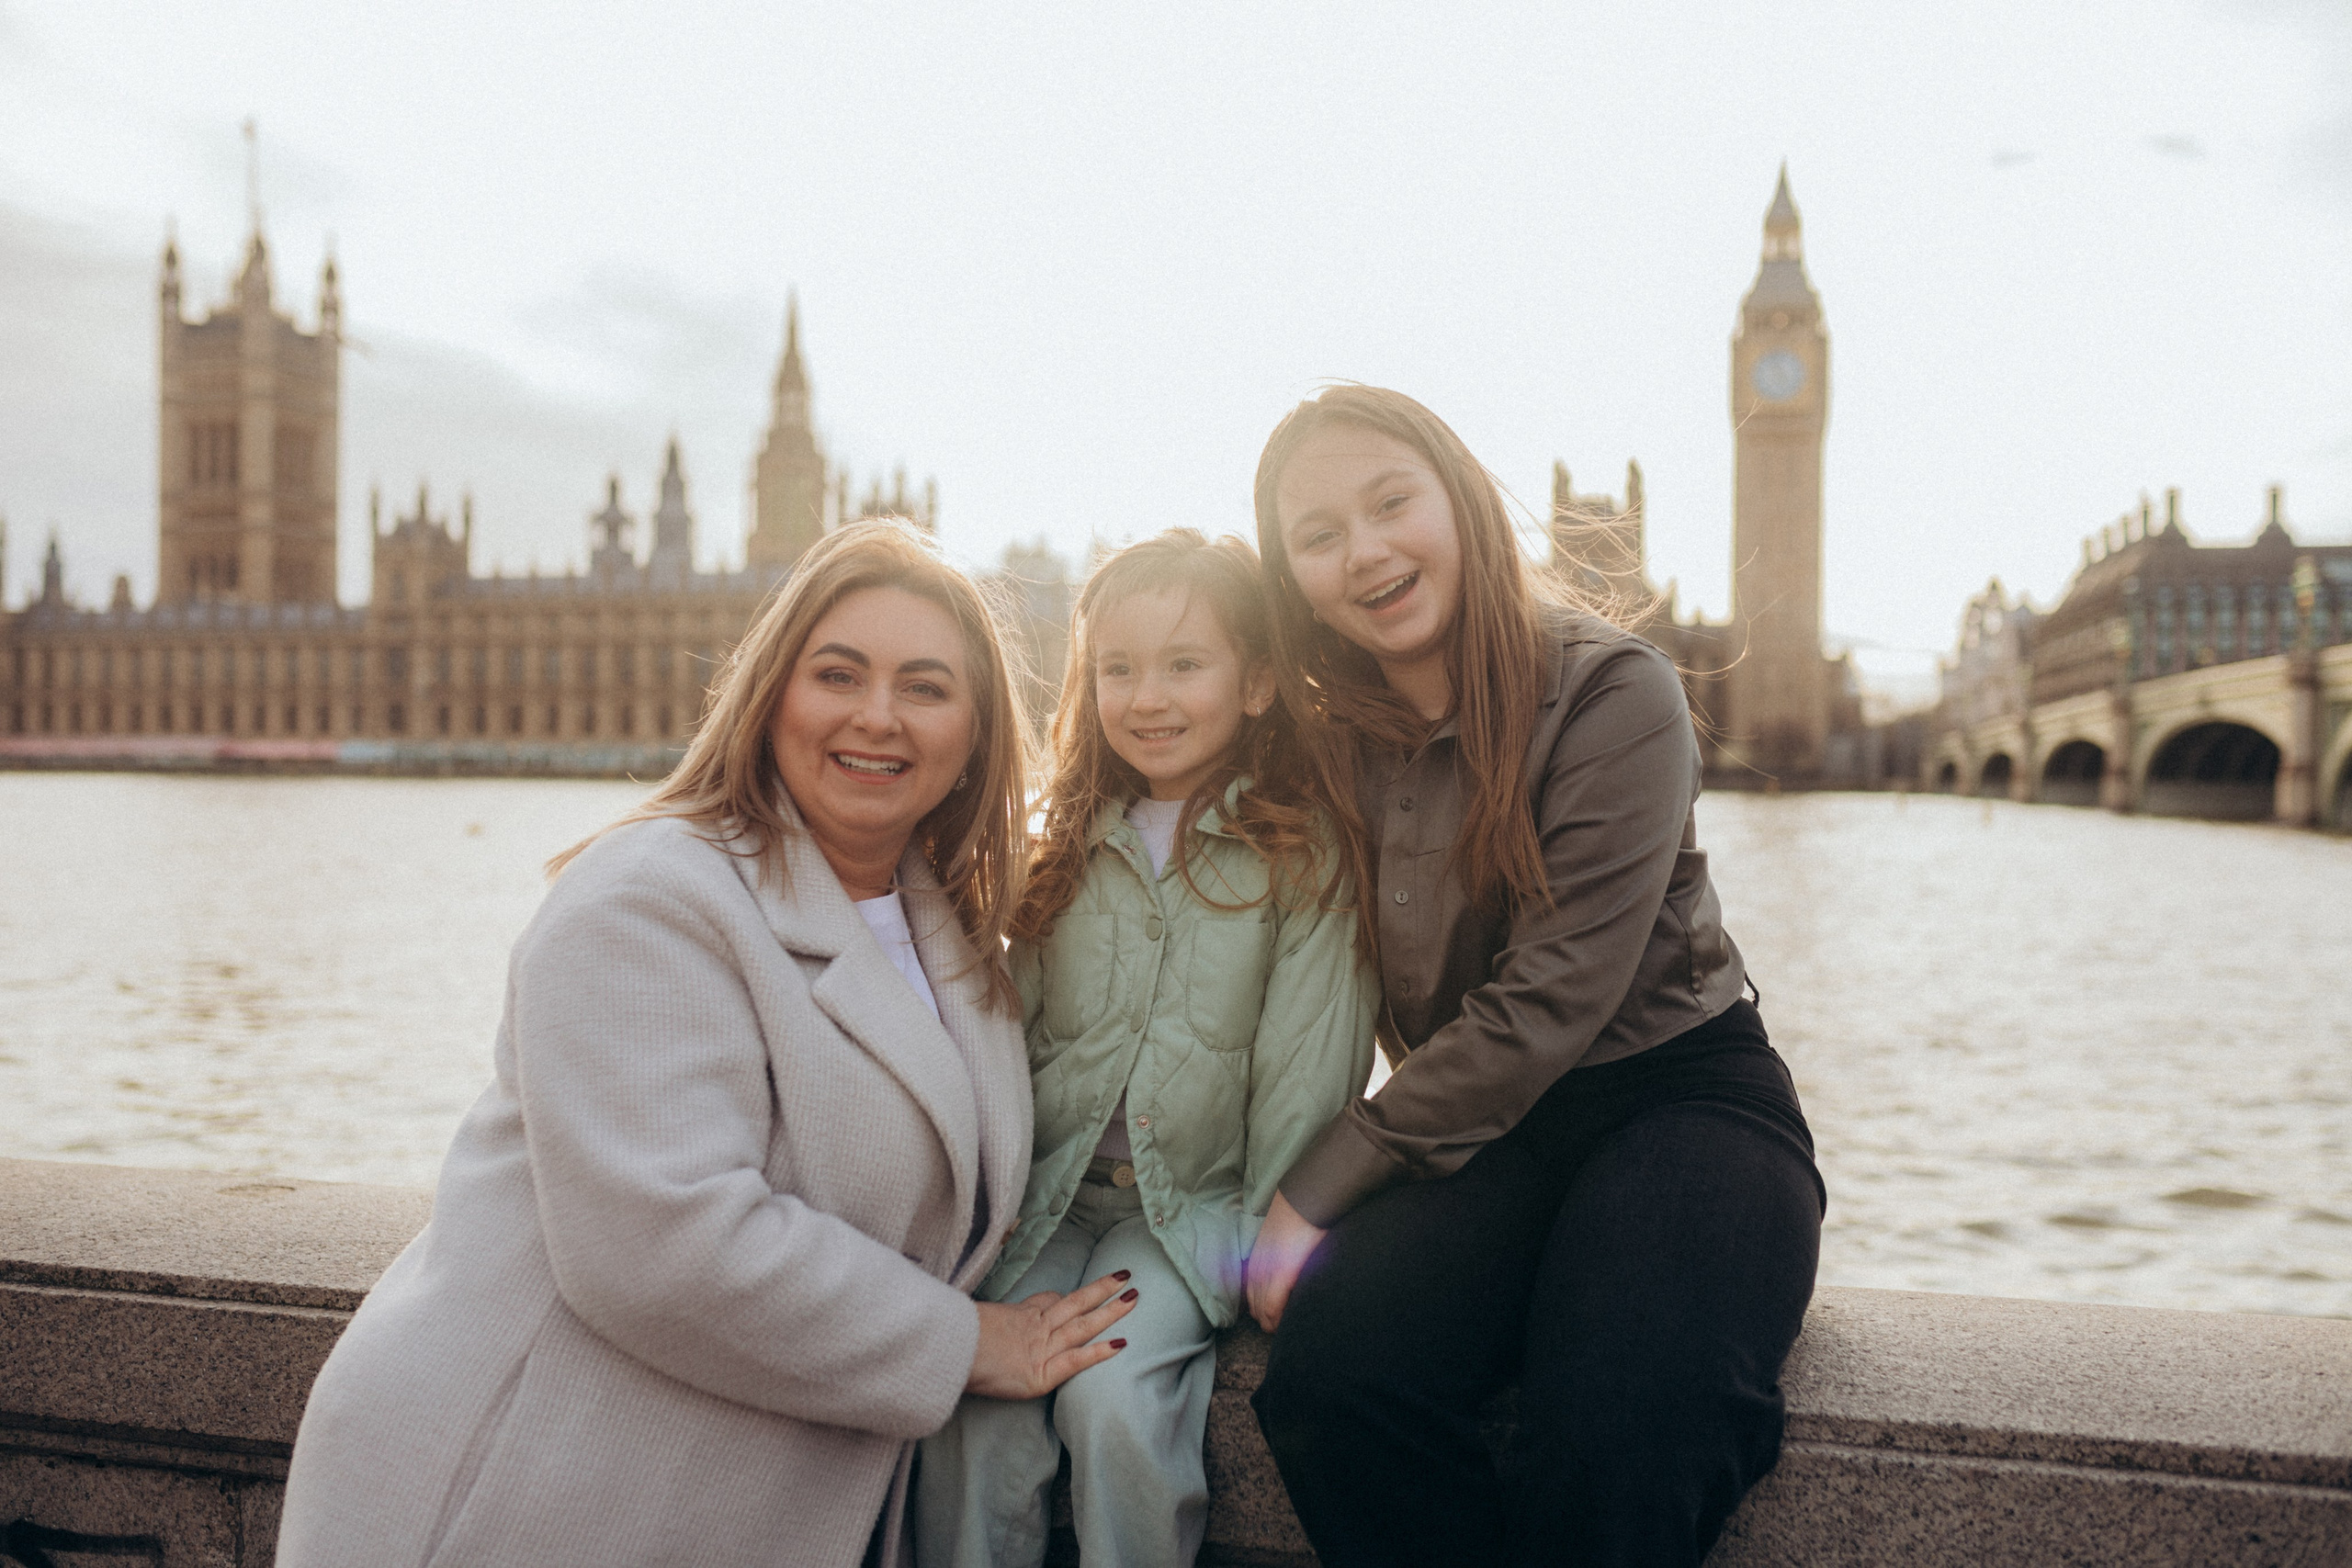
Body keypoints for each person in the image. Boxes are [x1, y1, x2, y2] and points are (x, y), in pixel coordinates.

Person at [277, 522, 1136, 1568]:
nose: (878, 715)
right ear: (770, 695)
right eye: (838, 674)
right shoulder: (649, 895)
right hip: (518, 1496)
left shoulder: (954, 935)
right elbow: (663, 1241)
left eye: (924, 686)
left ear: (978, 732)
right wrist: (967, 1346)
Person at [1241, 389, 1826, 1568]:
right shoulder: (1317, 740)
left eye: (1391, 503)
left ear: (1460, 498)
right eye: (1318, 534)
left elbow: (1552, 997)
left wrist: (1315, 1187)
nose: (1365, 552)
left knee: (1619, 1436)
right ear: (1290, 578)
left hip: (1681, 1097)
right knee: (1331, 1381)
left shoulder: (1617, 690)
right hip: (1485, 1135)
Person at [915, 529, 1377, 1568]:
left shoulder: (1301, 853)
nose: (1146, 697)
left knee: (1115, 1400)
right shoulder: (1063, 840)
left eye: (1183, 664)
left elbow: (1307, 1065)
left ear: (1256, 683)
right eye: (1117, 669)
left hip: (1187, 1216)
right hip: (1049, 1195)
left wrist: (1258, 1243)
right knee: (973, 1403)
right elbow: (1005, 1039)